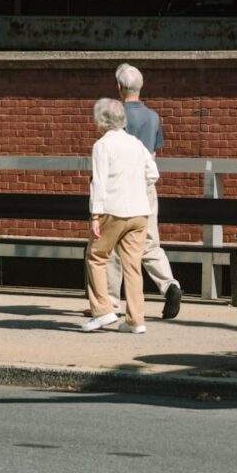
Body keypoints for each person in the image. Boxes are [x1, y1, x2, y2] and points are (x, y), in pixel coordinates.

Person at [105, 63, 184, 319]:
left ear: (119, 88)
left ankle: (111, 302)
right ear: (141, 87)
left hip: (121, 187)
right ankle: (169, 284)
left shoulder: (115, 116)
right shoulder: (153, 117)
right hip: (146, 186)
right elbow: (153, 153)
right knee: (150, 241)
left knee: (115, 243)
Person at [82, 98, 159, 334]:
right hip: (139, 212)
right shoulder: (136, 144)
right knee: (133, 266)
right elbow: (153, 174)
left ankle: (103, 310)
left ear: (101, 121)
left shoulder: (102, 145)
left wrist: (95, 215)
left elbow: (99, 182)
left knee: (96, 256)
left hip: (112, 211)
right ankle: (136, 320)